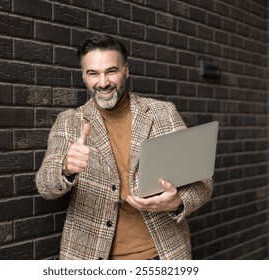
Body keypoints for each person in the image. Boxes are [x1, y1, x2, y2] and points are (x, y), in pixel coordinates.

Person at [35, 35, 214, 260]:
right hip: (90, 257)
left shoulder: (163, 113)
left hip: (161, 255)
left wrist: (178, 202)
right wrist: (65, 168)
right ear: (83, 76)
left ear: (126, 70)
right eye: (93, 73)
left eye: (111, 71)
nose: (103, 82)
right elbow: (45, 185)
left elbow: (203, 182)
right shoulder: (69, 121)